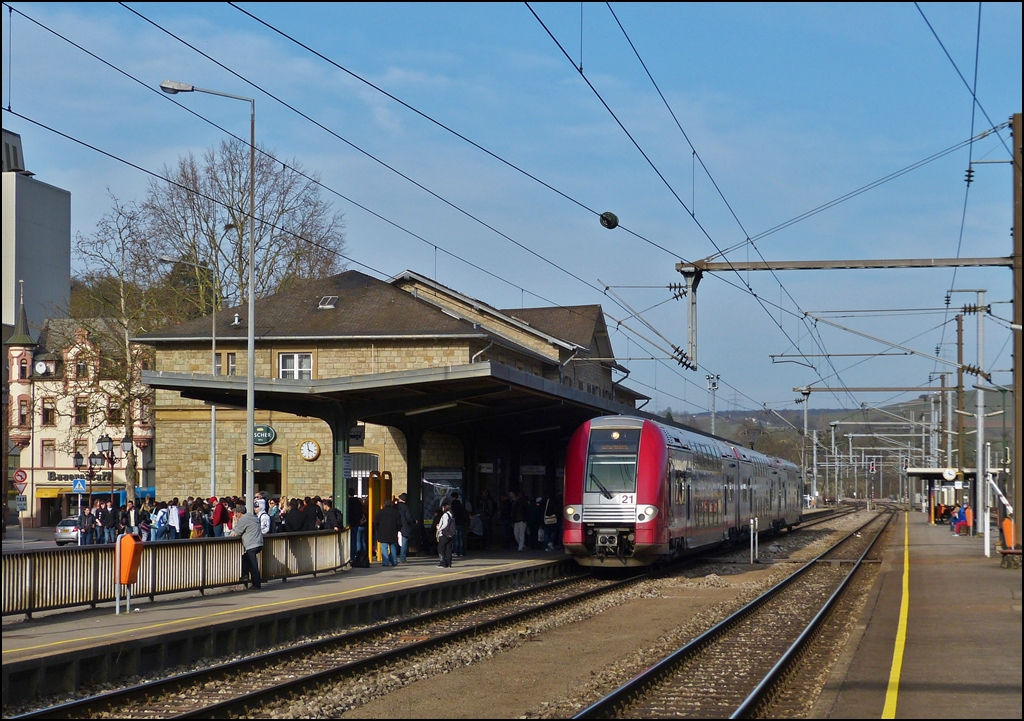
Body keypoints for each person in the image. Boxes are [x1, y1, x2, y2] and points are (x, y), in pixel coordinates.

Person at [229, 504, 264, 590]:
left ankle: (256, 584)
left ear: (239, 513)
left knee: (253, 565)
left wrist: (236, 522)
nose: (235, 515)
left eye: (236, 513)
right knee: (245, 557)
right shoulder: (252, 517)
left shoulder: (244, 519)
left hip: (251, 544)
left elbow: (237, 531)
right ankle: (245, 575)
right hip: (259, 543)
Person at [373, 498, 401, 567]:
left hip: (383, 533)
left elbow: (376, 523)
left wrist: (378, 530)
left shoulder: (380, 513)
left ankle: (385, 562)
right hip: (393, 532)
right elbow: (399, 523)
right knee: (393, 547)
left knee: (384, 547)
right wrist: (397, 529)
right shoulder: (395, 512)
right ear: (391, 504)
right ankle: (394, 561)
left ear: (384, 504)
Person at [397, 493, 416, 563]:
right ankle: (402, 558)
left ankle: (392, 558)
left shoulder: (396, 507)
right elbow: (409, 517)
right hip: (404, 527)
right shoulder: (406, 507)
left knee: (394, 543)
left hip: (396, 526)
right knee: (404, 542)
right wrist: (414, 522)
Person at [436, 500, 456, 568]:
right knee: (448, 549)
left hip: (444, 534)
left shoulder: (445, 515)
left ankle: (442, 563)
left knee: (440, 548)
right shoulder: (451, 514)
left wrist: (439, 528)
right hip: (450, 534)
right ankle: (449, 563)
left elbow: (445, 524)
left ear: (444, 507)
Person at [450, 492, 469, 557]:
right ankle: (461, 552)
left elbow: (453, 513)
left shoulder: (453, 504)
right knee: (460, 538)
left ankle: (456, 551)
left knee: (456, 538)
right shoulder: (460, 505)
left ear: (453, 497)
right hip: (461, 522)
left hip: (456, 522)